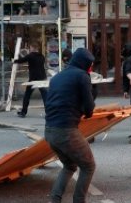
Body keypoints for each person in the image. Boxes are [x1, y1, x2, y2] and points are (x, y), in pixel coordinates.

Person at [44, 48, 96, 203]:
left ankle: (54, 199)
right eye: (90, 65)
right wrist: (86, 112)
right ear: (85, 64)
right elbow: (89, 107)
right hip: (66, 131)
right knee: (88, 166)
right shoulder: (82, 76)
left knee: (69, 165)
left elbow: (52, 103)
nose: (90, 68)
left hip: (50, 131)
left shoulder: (57, 77)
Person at [14, 43, 48, 118]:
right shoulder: (42, 56)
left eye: (30, 48)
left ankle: (23, 112)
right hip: (42, 77)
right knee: (45, 95)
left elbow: (21, 60)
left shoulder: (30, 56)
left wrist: (14, 61)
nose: (30, 49)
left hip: (33, 78)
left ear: (32, 48)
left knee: (27, 95)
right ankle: (48, 113)